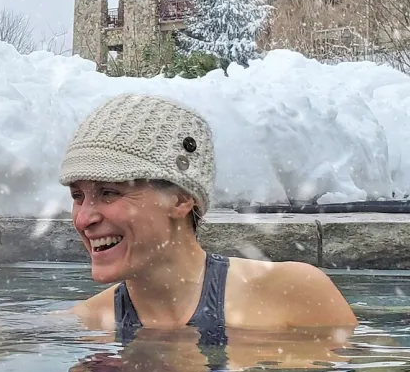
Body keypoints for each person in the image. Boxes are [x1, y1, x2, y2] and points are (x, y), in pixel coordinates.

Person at [59, 93, 357, 340]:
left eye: (109, 192)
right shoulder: (87, 325)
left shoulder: (293, 292)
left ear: (180, 199)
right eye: (77, 196)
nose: (83, 220)